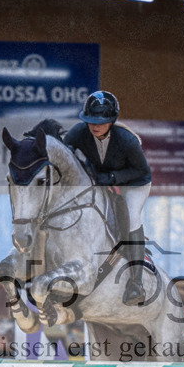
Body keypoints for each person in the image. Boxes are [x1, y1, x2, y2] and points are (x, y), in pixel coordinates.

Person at [63, 90, 151, 305]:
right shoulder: (78, 133)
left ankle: (136, 283)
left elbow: (142, 171)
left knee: (131, 217)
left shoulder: (127, 140)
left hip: (134, 183)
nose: (95, 125)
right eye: (91, 120)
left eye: (101, 121)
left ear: (112, 120)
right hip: (102, 181)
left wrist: (113, 177)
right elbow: (64, 155)